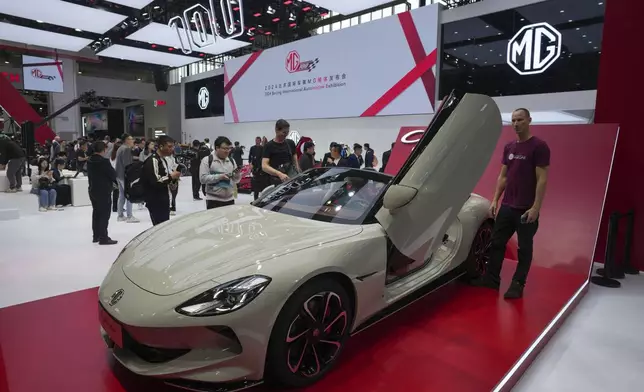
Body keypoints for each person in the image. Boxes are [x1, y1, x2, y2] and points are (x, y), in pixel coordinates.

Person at [471, 108, 550, 299]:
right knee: (496, 243)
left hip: (526, 210)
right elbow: (503, 177)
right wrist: (496, 200)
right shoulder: (509, 147)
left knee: (524, 249)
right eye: (513, 120)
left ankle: (517, 284)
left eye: (520, 120)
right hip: (507, 207)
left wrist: (536, 208)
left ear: (529, 120)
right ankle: (491, 280)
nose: (516, 124)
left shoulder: (539, 147)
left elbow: (542, 179)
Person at [142, 135, 181, 225]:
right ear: (161, 147)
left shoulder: (164, 160)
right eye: (169, 146)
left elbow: (166, 180)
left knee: (164, 228)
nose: (172, 149)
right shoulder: (153, 160)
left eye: (173, 146)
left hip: (164, 199)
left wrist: (174, 179)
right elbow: (156, 181)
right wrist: (172, 176)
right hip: (155, 201)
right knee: (158, 229)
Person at [87, 141, 118, 245]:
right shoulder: (104, 162)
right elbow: (113, 175)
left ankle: (96, 236)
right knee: (104, 214)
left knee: (96, 213)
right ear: (104, 150)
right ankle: (103, 237)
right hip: (104, 191)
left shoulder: (89, 160)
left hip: (92, 190)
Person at [200, 136, 242, 210]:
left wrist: (238, 174)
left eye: (229, 148)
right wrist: (220, 177)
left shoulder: (231, 161)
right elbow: (203, 179)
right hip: (213, 200)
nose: (227, 151)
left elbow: (236, 180)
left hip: (230, 200)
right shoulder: (207, 160)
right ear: (217, 148)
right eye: (224, 148)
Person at [262, 119, 300, 185]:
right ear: (276, 130)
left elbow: (295, 158)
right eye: (284, 132)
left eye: (287, 132)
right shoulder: (269, 146)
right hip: (276, 182)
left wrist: (297, 170)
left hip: (290, 180)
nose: (286, 135)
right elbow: (264, 166)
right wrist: (279, 174)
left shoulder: (290, 143)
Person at [114, 134, 139, 223]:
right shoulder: (126, 149)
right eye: (131, 139)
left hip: (118, 174)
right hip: (124, 176)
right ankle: (129, 216)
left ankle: (120, 215)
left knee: (121, 195)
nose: (133, 141)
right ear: (126, 140)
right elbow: (127, 165)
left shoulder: (120, 148)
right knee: (129, 195)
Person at [165, 149, 180, 216]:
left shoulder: (172, 158)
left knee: (174, 192)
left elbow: (174, 166)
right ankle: (171, 208)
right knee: (170, 193)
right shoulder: (166, 158)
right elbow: (167, 168)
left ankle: (172, 207)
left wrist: (178, 168)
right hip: (169, 176)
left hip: (174, 175)